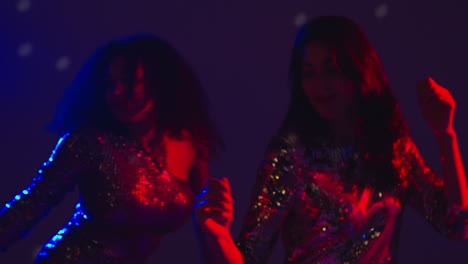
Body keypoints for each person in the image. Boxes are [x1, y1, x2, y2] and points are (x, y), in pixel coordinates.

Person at [193, 16, 468, 263]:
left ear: (358, 71)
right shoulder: (291, 157)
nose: (320, 84)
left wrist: (445, 134)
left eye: (332, 69)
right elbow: (250, 257)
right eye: (309, 72)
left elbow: (457, 224)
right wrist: (219, 236)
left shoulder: (392, 147)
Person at [0, 34, 222, 263]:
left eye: (127, 81)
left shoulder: (191, 141)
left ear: (158, 81)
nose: (115, 92)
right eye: (108, 84)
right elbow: (31, 204)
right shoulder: (90, 141)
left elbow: (208, 225)